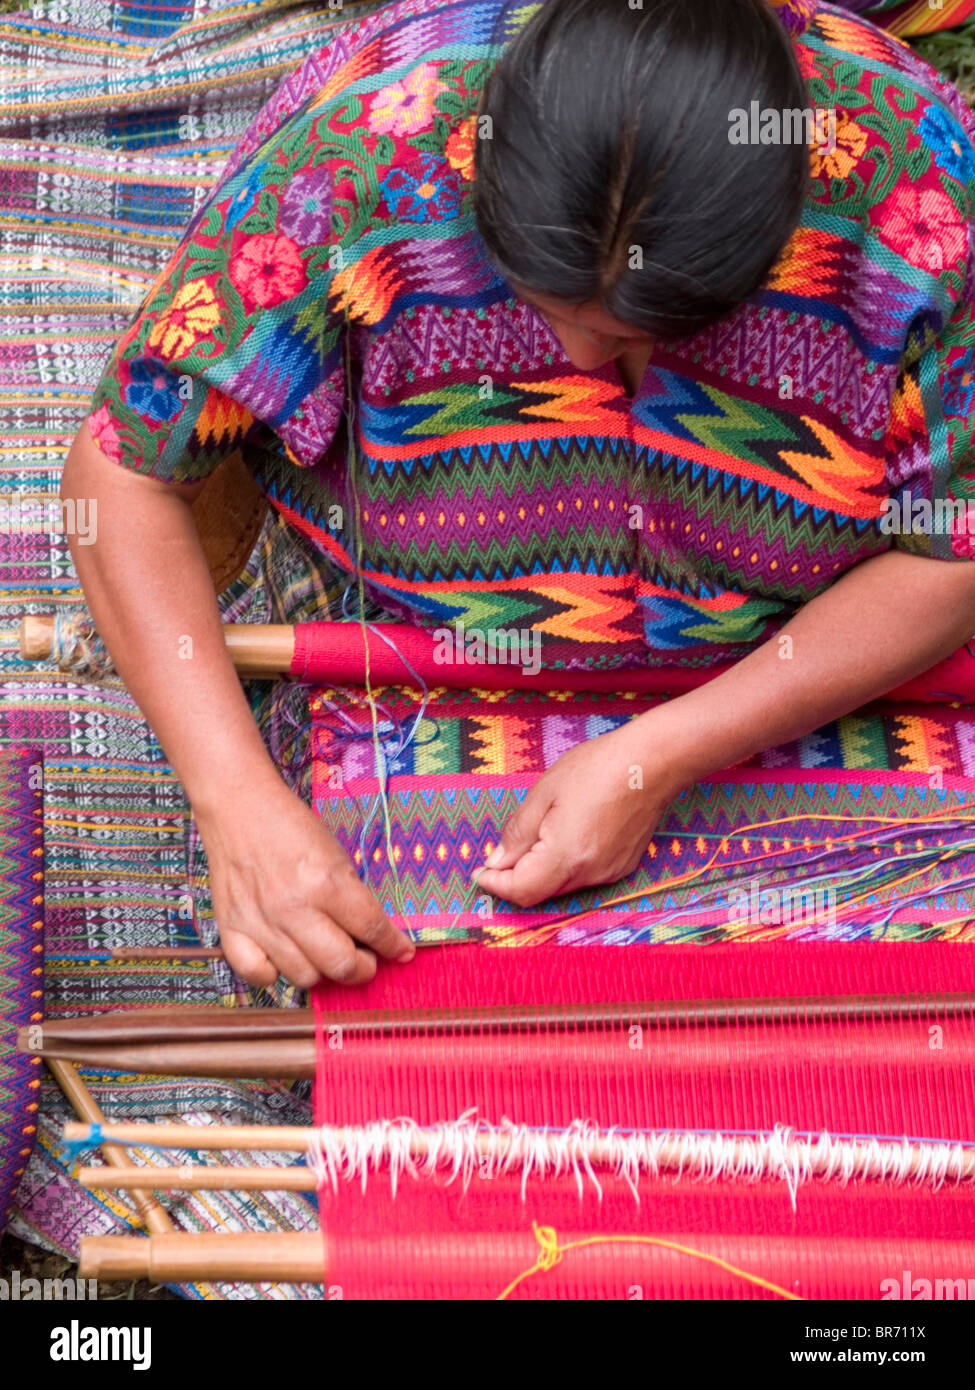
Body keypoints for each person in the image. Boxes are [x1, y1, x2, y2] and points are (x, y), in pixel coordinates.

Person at [62, 0, 975, 988]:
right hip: (405, 631)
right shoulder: (362, 154)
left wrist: (662, 753)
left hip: (799, 642)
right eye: (545, 307)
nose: (580, 359)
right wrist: (232, 800)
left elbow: (952, 551)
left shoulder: (914, 179)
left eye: (641, 338)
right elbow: (124, 470)